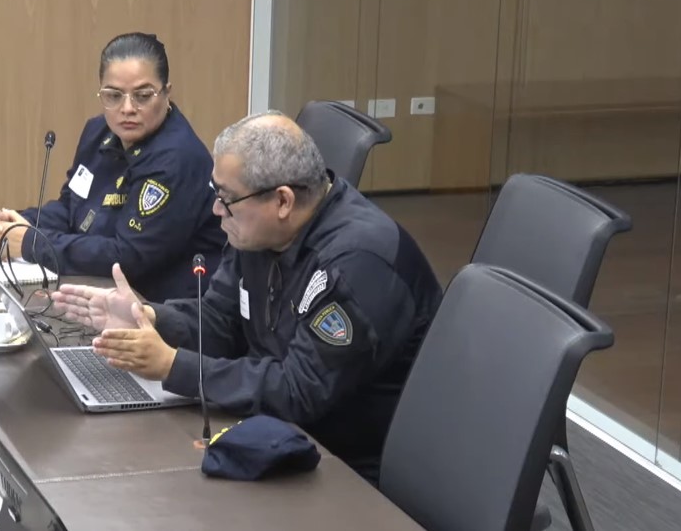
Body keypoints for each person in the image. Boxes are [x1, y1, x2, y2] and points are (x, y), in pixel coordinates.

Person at [52, 110, 444, 483]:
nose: (216, 210)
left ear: (282, 201)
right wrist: (151, 317)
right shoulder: (259, 229)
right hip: (275, 432)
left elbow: (299, 391)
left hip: (345, 465)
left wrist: (173, 365)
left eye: (226, 198)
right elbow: (221, 321)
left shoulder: (358, 263)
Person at [0, 32, 226, 302]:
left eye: (143, 96)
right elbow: (71, 207)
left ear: (167, 93)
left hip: (166, 307)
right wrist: (21, 224)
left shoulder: (177, 158)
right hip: (104, 293)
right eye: (114, 95)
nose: (127, 108)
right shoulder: (98, 132)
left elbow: (128, 257)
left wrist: (32, 243)